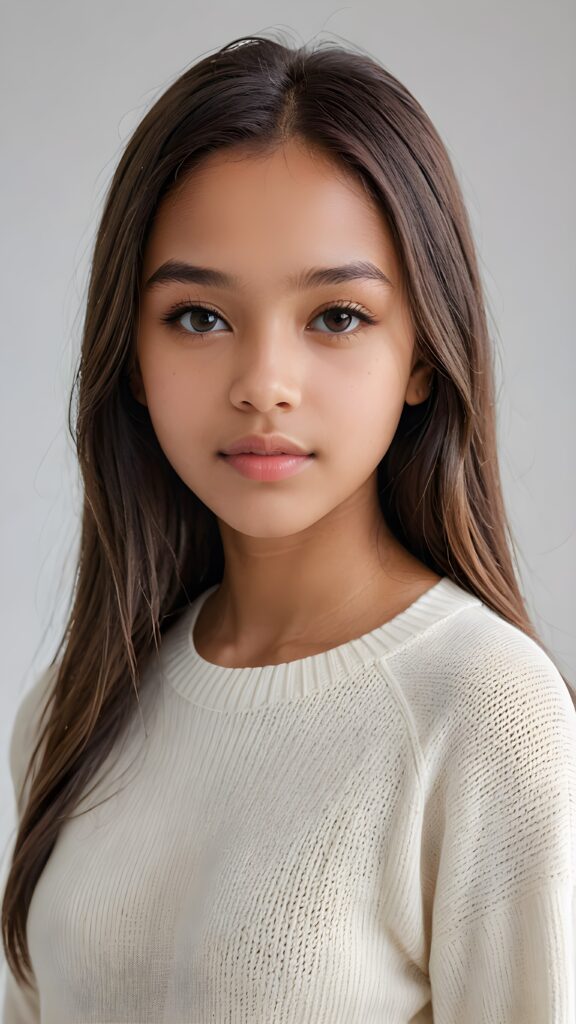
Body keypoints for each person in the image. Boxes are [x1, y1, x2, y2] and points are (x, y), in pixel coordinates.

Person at [2, 32, 575, 1024]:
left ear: (423, 356)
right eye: (199, 316)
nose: (263, 382)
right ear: (131, 355)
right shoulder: (75, 709)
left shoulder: (485, 710)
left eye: (337, 316)